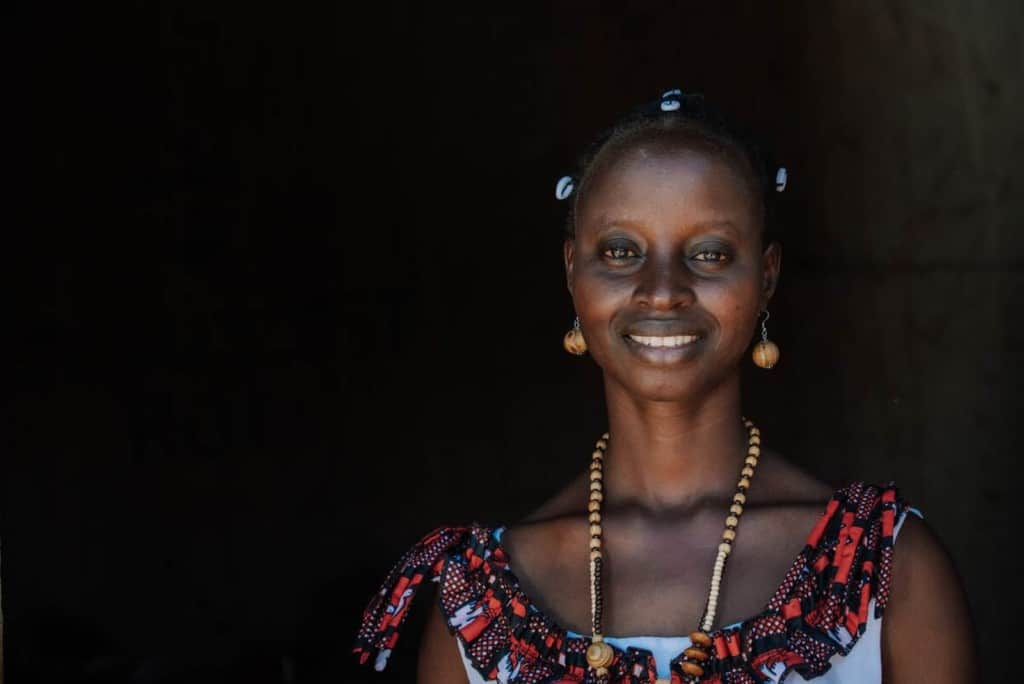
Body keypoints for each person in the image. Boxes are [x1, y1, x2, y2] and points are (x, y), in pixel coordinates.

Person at [353, 88, 975, 683]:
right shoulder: (480, 604)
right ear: (573, 271)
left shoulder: (884, 569)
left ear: (767, 275)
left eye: (709, 254)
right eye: (622, 252)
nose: (661, 289)